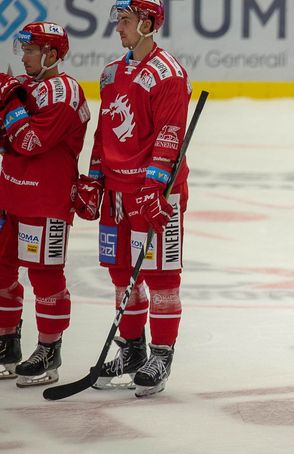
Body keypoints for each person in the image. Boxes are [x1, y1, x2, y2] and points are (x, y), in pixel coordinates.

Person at [75, 0, 191, 398]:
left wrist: (154, 187)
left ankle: (161, 353)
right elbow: (104, 133)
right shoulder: (110, 74)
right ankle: (132, 350)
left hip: (155, 193)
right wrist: (94, 178)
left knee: (160, 276)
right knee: (121, 272)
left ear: (147, 22)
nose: (118, 29)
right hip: (117, 193)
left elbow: (170, 133)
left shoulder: (168, 73)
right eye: (118, 21)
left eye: (124, 21)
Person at [0, 22, 90, 387]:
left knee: (44, 276)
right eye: (24, 51)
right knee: (1, 268)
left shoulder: (65, 91)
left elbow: (30, 141)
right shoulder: (26, 86)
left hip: (47, 196)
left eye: (31, 51)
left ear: (51, 54)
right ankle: (7, 343)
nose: (24, 57)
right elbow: (6, 140)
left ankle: (49, 349)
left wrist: (10, 105)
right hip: (10, 191)